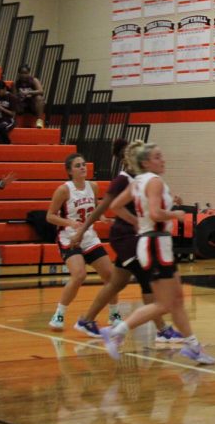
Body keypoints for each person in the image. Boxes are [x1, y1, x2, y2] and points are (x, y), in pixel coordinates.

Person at [100, 141, 215, 365]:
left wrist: (136, 222)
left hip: (153, 242)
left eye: (161, 156)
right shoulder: (153, 181)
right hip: (155, 243)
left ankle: (192, 346)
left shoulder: (137, 181)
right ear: (145, 162)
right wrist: (176, 214)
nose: (162, 160)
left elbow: (115, 205)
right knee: (164, 304)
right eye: (157, 157)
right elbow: (154, 213)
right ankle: (116, 331)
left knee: (178, 300)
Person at [70, 138, 184, 343]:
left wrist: (169, 203)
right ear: (130, 158)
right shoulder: (123, 179)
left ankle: (86, 320)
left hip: (135, 237)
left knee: (116, 282)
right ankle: (162, 330)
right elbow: (104, 207)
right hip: (126, 237)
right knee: (147, 280)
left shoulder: (143, 179)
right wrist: (82, 231)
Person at [46, 153, 121, 330]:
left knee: (111, 275)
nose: (82, 168)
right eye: (78, 165)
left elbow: (95, 208)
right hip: (69, 237)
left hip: (89, 236)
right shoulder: (64, 190)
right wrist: (69, 222)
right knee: (79, 275)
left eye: (84, 165)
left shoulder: (93, 186)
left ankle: (114, 313)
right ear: (69, 171)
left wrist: (103, 217)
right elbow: (49, 216)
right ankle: (59, 315)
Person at [14, 64, 45, 128]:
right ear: (19, 74)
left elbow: (41, 91)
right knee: (13, 100)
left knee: (39, 98)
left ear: (29, 73)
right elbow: (14, 95)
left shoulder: (34, 80)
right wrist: (19, 95)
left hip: (32, 103)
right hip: (22, 103)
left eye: (25, 73)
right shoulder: (16, 83)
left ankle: (39, 120)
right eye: (22, 73)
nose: (23, 75)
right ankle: (13, 121)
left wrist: (29, 92)